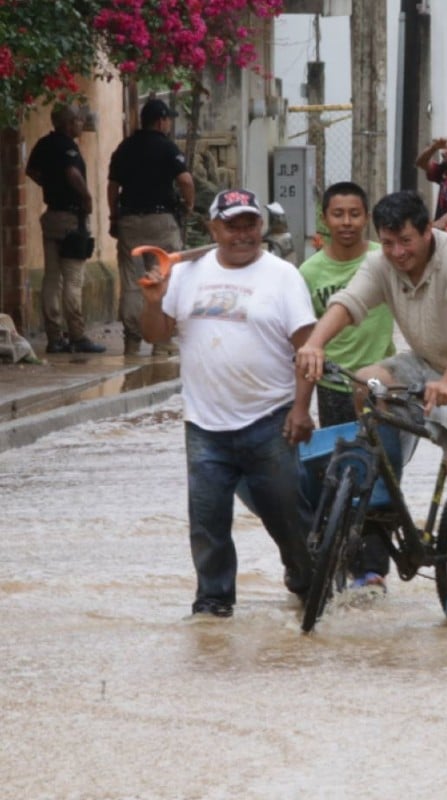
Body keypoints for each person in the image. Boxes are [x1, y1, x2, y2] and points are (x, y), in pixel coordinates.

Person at [295, 190, 447, 620]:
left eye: (407, 242)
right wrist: (315, 345)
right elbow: (348, 302)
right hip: (426, 362)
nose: (397, 253)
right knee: (366, 383)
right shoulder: (381, 262)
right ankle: (385, 493)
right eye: (389, 242)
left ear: (428, 231)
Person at [138, 189, 316, 617]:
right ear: (213, 228)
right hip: (205, 425)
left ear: (261, 227)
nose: (242, 234)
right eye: (232, 225)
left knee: (288, 520)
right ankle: (213, 606)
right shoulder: (184, 273)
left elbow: (308, 350)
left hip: (270, 419)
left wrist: (301, 409)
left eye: (250, 224)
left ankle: (309, 582)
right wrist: (153, 300)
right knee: (207, 526)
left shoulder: (282, 276)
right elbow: (156, 334)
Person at [297, 181, 397, 589]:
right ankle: (333, 558)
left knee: (379, 474)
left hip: (380, 384)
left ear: (367, 218)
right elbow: (302, 339)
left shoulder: (385, 260)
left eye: (355, 214)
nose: (347, 222)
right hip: (333, 388)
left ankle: (372, 569)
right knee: (335, 479)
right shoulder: (309, 273)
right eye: (338, 214)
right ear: (324, 219)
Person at [108, 98, 195, 357]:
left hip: (130, 222)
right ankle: (162, 341)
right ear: (160, 121)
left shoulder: (124, 147)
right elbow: (186, 180)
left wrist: (114, 217)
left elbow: (113, 186)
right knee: (166, 279)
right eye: (168, 120)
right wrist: (189, 205)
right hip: (161, 223)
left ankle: (132, 341)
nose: (169, 124)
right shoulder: (167, 148)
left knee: (132, 282)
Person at [24, 104, 106, 354]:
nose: (81, 124)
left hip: (51, 215)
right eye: (78, 121)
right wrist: (87, 198)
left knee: (51, 278)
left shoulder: (43, 144)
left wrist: (49, 184)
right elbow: (72, 172)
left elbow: (31, 171)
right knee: (73, 279)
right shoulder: (67, 147)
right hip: (71, 217)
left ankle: (54, 336)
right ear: (68, 122)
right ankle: (77, 335)